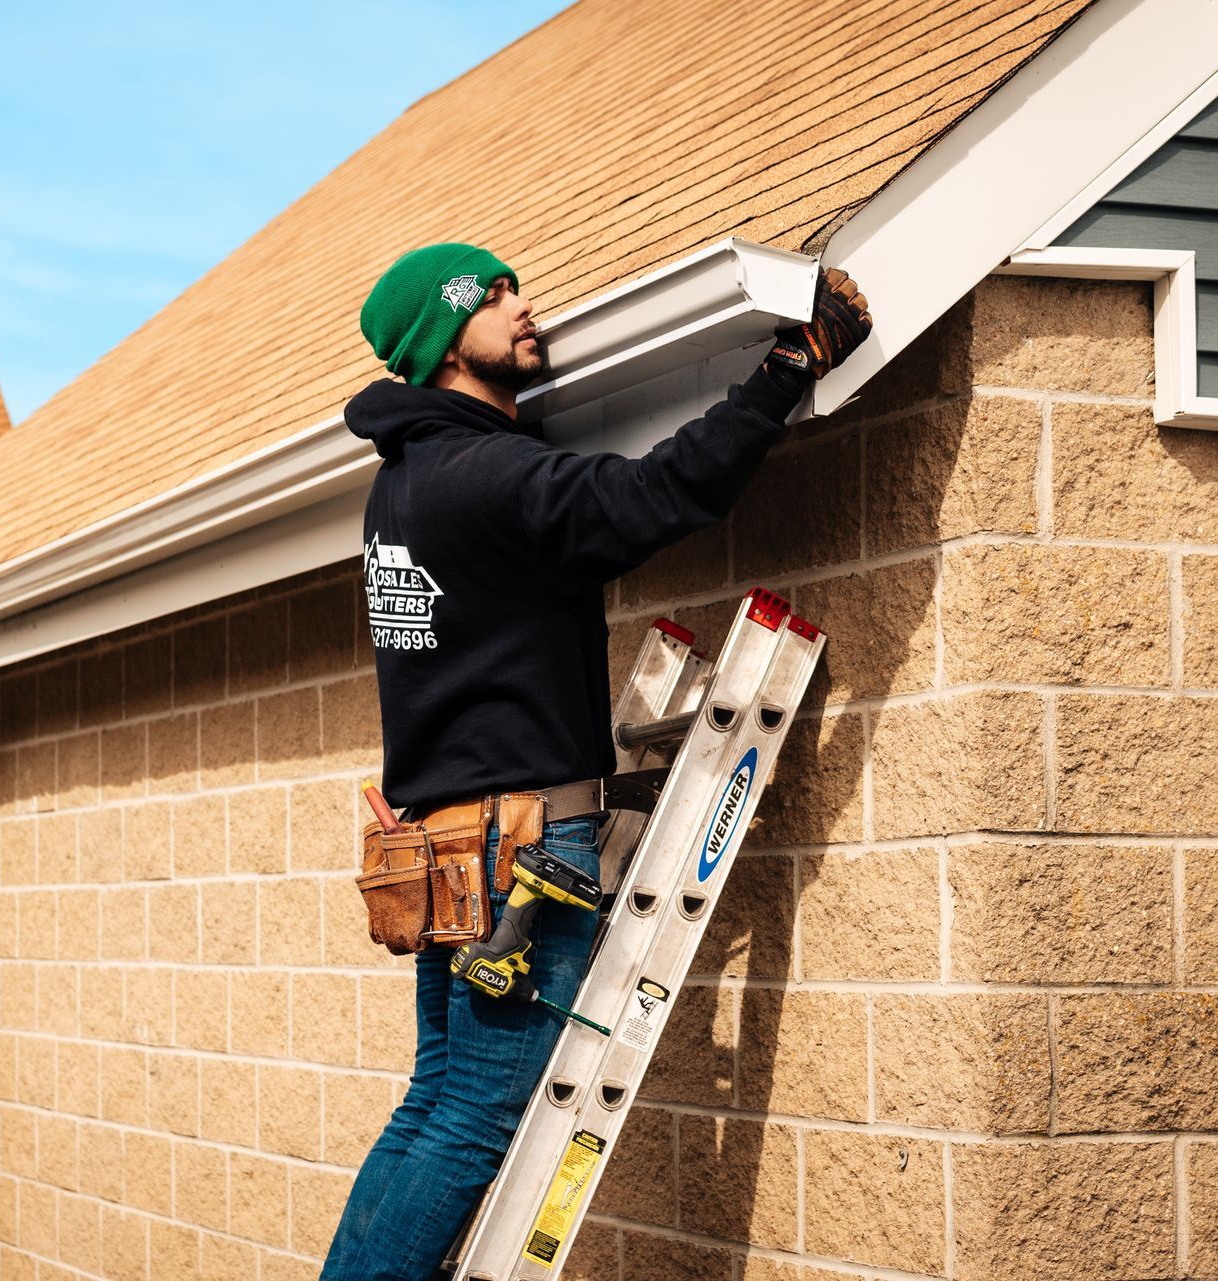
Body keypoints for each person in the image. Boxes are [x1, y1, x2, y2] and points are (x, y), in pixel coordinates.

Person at [320, 244, 871, 1280]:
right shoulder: (489, 476)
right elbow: (658, 496)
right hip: (521, 844)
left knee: (436, 1100)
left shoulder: (402, 489)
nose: (526, 309)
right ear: (443, 344)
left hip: (448, 847)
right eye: (492, 300)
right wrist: (786, 373)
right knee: (476, 1119)